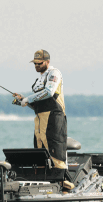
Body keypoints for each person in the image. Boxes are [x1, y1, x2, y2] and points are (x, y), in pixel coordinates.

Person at [12, 49, 67, 180]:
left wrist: (28, 99)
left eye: (40, 63)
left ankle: (61, 179)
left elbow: (49, 92)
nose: (37, 66)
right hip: (40, 118)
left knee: (54, 145)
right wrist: (23, 100)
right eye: (35, 64)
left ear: (48, 62)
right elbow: (39, 102)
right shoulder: (39, 79)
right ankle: (42, 177)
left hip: (54, 116)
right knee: (39, 146)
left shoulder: (54, 73)